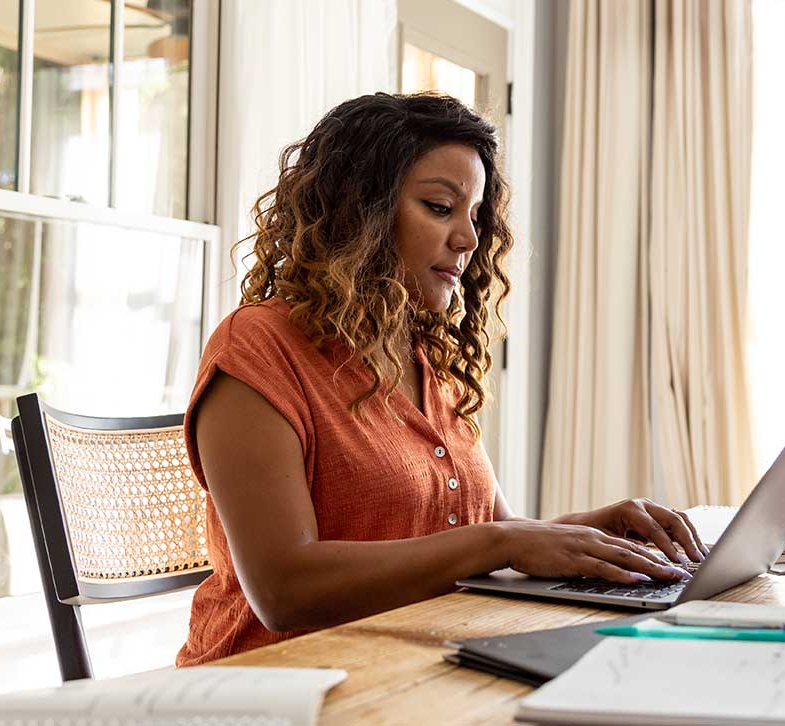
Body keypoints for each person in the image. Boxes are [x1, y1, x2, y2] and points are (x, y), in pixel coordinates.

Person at [176, 92, 706, 666]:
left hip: (422, 662)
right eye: (439, 207)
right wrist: (502, 542)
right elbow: (283, 590)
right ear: (359, 210)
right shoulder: (258, 348)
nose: (469, 240)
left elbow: (492, 531)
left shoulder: (427, 356)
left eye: (475, 215)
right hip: (273, 687)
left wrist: (588, 534)